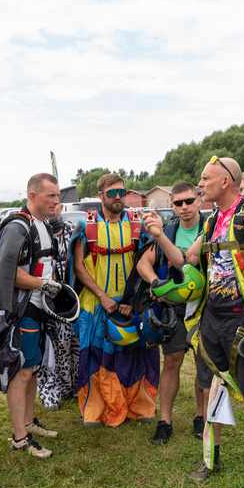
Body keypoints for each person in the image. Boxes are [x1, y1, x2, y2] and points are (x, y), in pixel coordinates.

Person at [145, 156, 244, 488]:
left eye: (205, 179)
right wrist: (158, 234)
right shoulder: (213, 220)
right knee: (209, 389)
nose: (199, 185)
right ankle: (210, 457)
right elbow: (188, 261)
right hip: (211, 319)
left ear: (225, 182)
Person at [0, 173, 64, 458]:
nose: (56, 200)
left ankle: (28, 422)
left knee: (33, 368)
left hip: (40, 309)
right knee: (22, 370)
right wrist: (43, 285)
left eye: (57, 194)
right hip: (21, 311)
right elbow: (8, 272)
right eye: (50, 195)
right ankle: (20, 438)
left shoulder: (43, 224)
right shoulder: (17, 226)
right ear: (32, 195)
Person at [71, 173, 159, 427]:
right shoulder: (85, 227)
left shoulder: (137, 225)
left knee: (136, 354)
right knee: (97, 357)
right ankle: (96, 410)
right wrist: (103, 297)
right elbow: (79, 267)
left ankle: (139, 406)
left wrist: (132, 299)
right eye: (112, 193)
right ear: (100, 196)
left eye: (122, 192)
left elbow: (145, 262)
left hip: (131, 304)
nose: (119, 197)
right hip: (96, 305)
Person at [134, 182, 206, 444]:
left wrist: (159, 235)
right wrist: (155, 282)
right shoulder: (171, 229)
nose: (184, 207)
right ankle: (164, 421)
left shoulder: (209, 228)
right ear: (172, 205)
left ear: (199, 200)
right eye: (178, 203)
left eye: (189, 201)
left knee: (203, 365)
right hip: (173, 312)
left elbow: (187, 261)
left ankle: (201, 417)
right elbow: (144, 262)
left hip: (204, 309)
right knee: (172, 363)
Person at [35, 204, 79, 411]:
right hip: (45, 302)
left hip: (73, 300)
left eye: (56, 206)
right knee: (51, 348)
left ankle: (75, 387)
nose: (52, 210)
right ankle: (52, 390)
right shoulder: (36, 234)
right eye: (48, 205)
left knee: (73, 344)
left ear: (61, 207)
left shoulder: (73, 232)